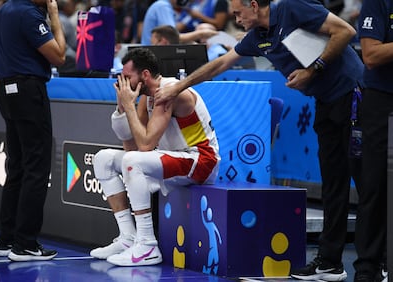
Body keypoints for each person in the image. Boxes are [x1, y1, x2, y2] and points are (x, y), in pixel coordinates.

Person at [155, 0, 364, 281]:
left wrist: (312, 71)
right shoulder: (258, 37)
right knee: (333, 184)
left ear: (254, 5)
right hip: (325, 102)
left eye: (239, 12)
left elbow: (345, 31)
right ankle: (330, 263)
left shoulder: (293, 9)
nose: (235, 18)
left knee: (367, 183)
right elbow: (220, 64)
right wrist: (178, 86)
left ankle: (379, 262)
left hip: (354, 96)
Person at [89, 47, 220, 266]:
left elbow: (146, 145)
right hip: (171, 158)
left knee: (132, 162)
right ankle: (128, 238)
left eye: (127, 76)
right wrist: (122, 107)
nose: (123, 81)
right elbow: (131, 146)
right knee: (103, 159)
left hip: (201, 160)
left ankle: (147, 244)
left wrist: (129, 106)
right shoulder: (146, 99)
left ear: (145, 75)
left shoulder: (169, 92)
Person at [0, 0, 66, 261]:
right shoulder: (30, 14)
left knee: (18, 166)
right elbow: (59, 56)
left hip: (6, 91)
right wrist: (54, 16)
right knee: (36, 167)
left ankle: (5, 240)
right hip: (28, 92)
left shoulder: (4, 11)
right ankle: (26, 244)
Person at [354, 1, 393, 281]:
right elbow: (371, 55)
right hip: (383, 100)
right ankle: (368, 268)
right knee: (375, 185)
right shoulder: (379, 2)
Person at [141, 0, 218, 45]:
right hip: (153, 53)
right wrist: (201, 33)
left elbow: (173, 31)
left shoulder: (162, 5)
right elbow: (173, 38)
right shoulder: (163, 6)